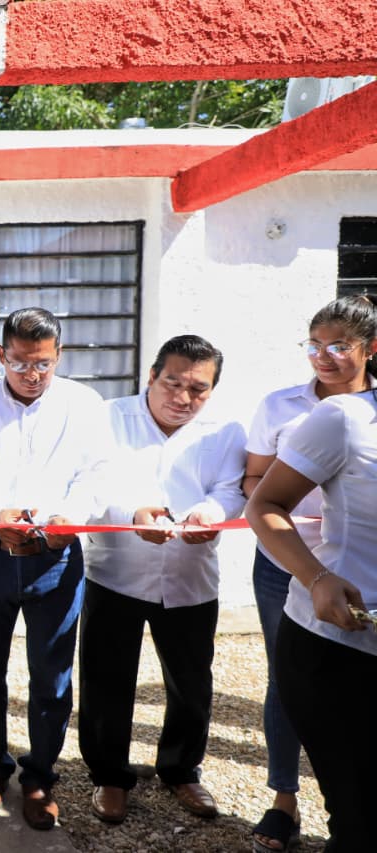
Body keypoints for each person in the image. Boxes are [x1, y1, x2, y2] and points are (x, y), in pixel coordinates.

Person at [0, 306, 109, 831]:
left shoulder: (85, 405)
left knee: (52, 675)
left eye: (42, 363)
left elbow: (96, 474)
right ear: (1, 355)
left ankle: (40, 776)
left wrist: (73, 518)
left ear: (58, 355)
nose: (32, 374)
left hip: (56, 558)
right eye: (20, 363)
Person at [78, 335, 246, 825]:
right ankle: (109, 775)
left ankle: (181, 768)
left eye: (198, 389)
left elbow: (230, 489)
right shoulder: (108, 418)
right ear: (151, 376)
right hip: (117, 572)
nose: (183, 398)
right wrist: (133, 513)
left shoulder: (226, 430)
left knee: (191, 680)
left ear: (212, 391)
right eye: (173, 383)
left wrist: (210, 513)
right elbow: (92, 483)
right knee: (108, 677)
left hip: (191, 575)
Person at [242, 295, 377, 853]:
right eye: (317, 345)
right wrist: (315, 573)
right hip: (328, 610)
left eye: (338, 346)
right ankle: (283, 798)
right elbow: (259, 494)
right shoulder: (338, 417)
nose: (324, 356)